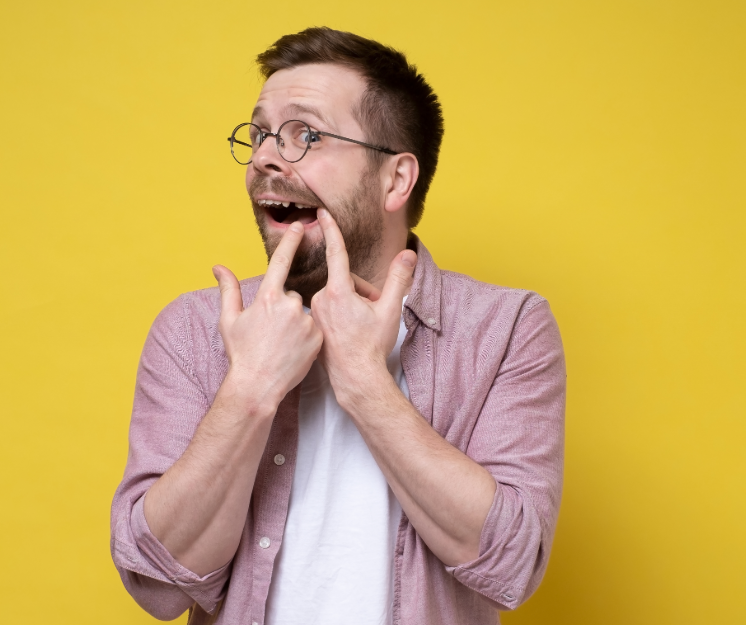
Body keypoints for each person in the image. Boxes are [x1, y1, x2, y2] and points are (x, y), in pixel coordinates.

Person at [110, 27, 566, 625]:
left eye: (307, 134)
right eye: (261, 134)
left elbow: (511, 567)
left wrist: (365, 383)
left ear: (395, 180)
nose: (267, 157)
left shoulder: (504, 328)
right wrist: (249, 389)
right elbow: (157, 584)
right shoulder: (196, 330)